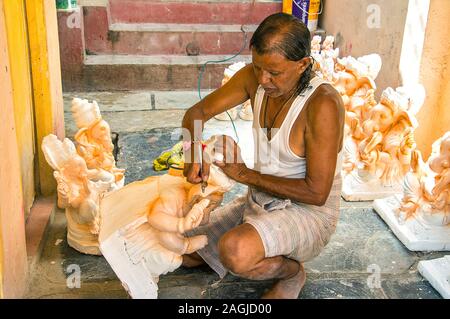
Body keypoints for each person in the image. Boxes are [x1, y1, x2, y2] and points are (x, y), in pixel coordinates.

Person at [181, 12, 345, 299]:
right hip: (260, 198)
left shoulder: (322, 105)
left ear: (302, 64)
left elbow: (317, 192)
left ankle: (292, 273)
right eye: (258, 67)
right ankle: (254, 244)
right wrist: (191, 150)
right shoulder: (254, 78)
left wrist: (244, 174)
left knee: (235, 252)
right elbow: (196, 114)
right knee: (184, 245)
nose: (264, 80)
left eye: (274, 73)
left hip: (309, 213)